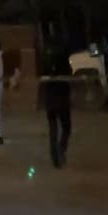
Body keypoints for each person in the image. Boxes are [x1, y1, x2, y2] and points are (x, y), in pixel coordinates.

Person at [41, 37, 72, 168]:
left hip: (49, 100)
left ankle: (55, 158)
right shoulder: (64, 61)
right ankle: (61, 148)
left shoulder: (45, 62)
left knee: (53, 130)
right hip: (62, 99)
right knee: (66, 127)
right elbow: (69, 74)